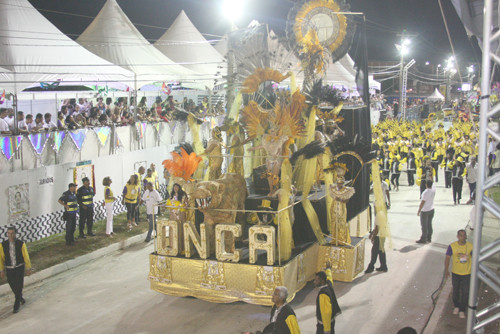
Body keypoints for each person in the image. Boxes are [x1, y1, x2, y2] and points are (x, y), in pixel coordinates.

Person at [0, 227, 32, 313]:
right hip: (9, 268)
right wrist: (1, 270)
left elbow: (26, 256)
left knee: (19, 285)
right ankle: (20, 298)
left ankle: (16, 304)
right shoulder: (3, 245)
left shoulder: (21, 244)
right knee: (12, 284)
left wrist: (28, 268)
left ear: (15, 234)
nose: (10, 235)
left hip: (19, 267)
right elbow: (1, 258)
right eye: (9, 233)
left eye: (12, 233)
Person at [444, 229, 473, 319]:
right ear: (457, 236)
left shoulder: (470, 246)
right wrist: (446, 270)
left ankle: (462, 309)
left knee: (465, 292)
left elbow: (475, 257)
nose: (462, 237)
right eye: (461, 235)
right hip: (456, 272)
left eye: (464, 235)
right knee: (456, 290)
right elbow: (448, 258)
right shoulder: (452, 246)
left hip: (467, 273)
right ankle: (456, 305)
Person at [314, 266, 341, 334]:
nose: (314, 282)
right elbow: (329, 278)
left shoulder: (323, 294)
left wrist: (326, 330)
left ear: (322, 281)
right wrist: (328, 270)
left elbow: (326, 313)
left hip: (324, 326)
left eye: (317, 280)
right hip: (331, 321)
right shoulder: (329, 284)